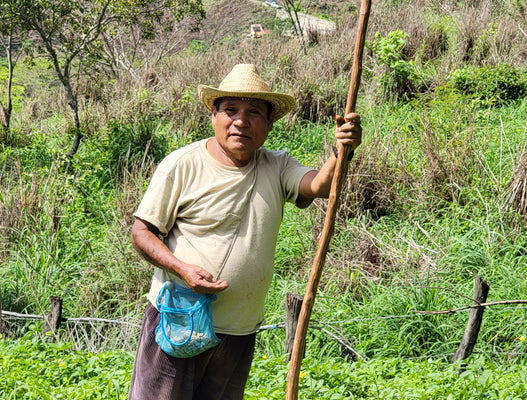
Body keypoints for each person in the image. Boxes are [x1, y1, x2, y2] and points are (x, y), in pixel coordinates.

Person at [128, 63, 362, 400]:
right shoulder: (183, 164)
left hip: (238, 330)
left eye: (254, 112)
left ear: (269, 124)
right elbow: (142, 232)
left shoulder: (277, 165)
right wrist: (182, 269)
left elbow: (321, 186)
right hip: (178, 320)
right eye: (231, 110)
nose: (241, 120)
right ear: (214, 116)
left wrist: (342, 150)